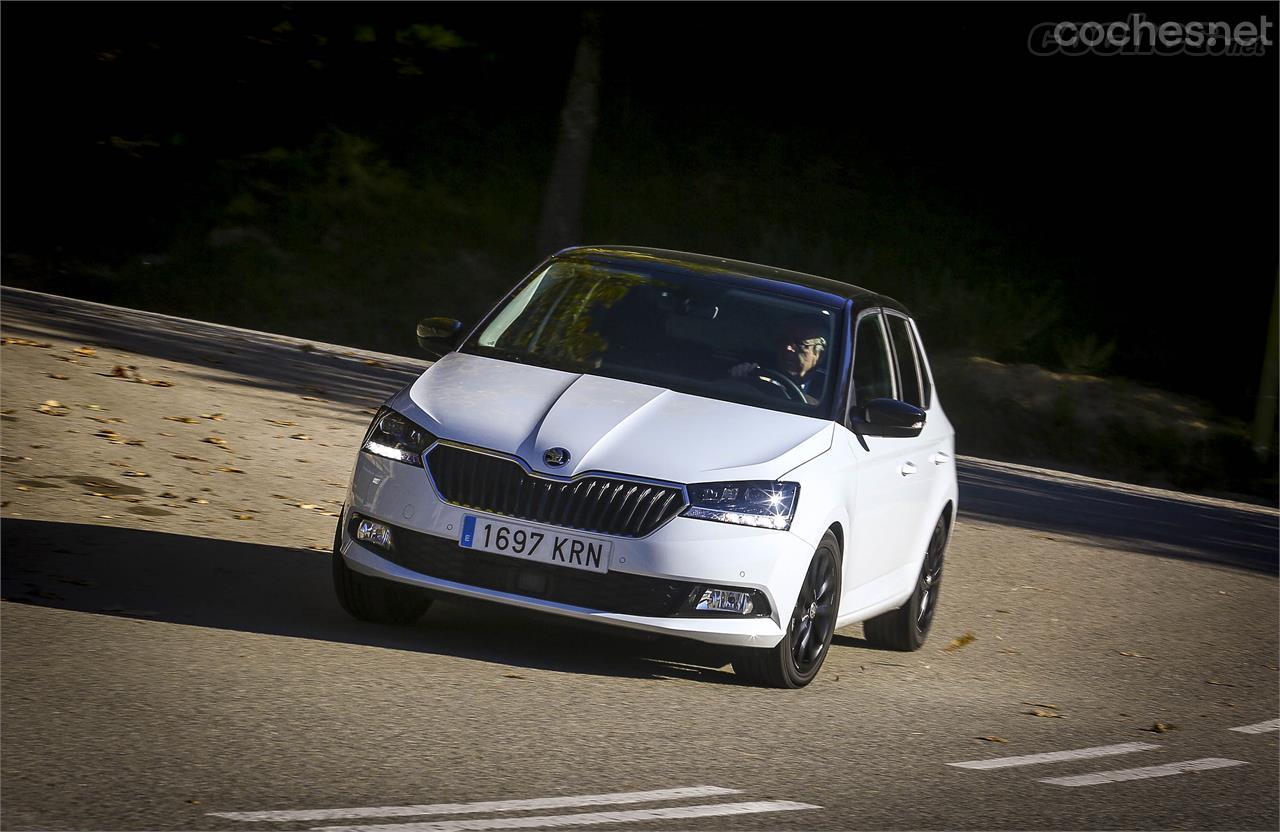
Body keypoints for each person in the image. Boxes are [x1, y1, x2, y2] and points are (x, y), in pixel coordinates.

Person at [729, 319, 828, 403]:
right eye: (784, 340)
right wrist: (743, 378)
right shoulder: (759, 374)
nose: (788, 348)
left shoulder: (831, 390)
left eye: (799, 343)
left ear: (819, 355)